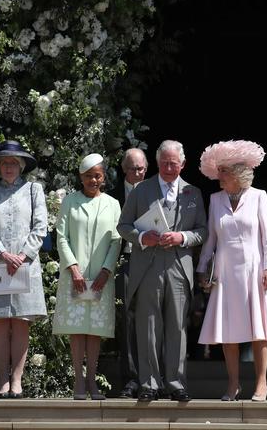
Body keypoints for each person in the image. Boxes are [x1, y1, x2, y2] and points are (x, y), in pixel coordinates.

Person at [117, 140, 207, 402]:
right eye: (164, 163)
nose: (169, 168)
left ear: (183, 164)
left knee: (177, 325)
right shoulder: (140, 190)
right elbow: (123, 226)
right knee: (148, 325)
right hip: (148, 264)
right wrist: (144, 237)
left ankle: (176, 382)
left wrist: (182, 237)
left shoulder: (193, 192)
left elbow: (203, 230)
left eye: (174, 163)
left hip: (179, 264)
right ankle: (149, 383)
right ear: (157, 163)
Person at [197, 139, 267, 402]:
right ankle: (233, 384)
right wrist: (202, 270)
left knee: (259, 329)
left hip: (255, 270)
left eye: (222, 171)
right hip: (225, 272)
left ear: (235, 173)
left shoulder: (259, 196)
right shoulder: (215, 199)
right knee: (227, 332)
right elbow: (211, 239)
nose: (217, 175)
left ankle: (261, 383)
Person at [0, 140, 48, 398]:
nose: (8, 167)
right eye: (4, 162)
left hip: (24, 265)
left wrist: (22, 255)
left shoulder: (33, 190)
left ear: (21, 166)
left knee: (21, 322)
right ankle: (3, 380)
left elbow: (40, 227)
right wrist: (4, 254)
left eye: (13, 163)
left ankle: (17, 380)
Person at [53, 153, 121, 400]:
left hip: (102, 276)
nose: (93, 180)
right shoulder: (70, 202)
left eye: (98, 175)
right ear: (81, 178)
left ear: (103, 177)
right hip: (76, 276)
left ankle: (92, 380)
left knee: (94, 330)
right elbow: (61, 236)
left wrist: (106, 270)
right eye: (88, 176)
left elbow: (116, 240)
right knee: (77, 329)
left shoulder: (113, 204)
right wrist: (72, 268)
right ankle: (78, 381)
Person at [111, 148, 148, 398]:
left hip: (152, 261)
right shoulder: (112, 196)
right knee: (127, 321)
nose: (138, 173)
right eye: (133, 168)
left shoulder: (155, 192)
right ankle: (131, 379)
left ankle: (155, 379)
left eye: (142, 168)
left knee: (154, 319)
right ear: (124, 169)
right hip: (123, 261)